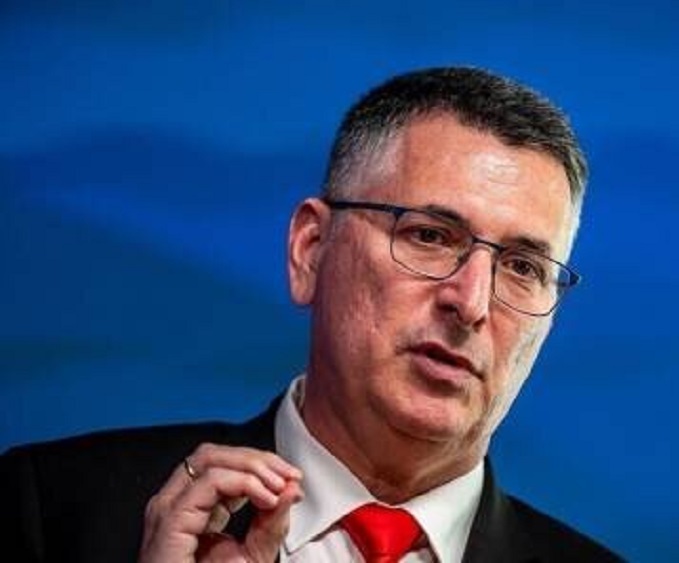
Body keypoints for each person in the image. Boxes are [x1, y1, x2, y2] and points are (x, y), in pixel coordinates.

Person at [1, 67, 622, 562]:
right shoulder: (53, 510)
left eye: (522, 267)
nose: (471, 302)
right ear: (311, 251)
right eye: (430, 236)